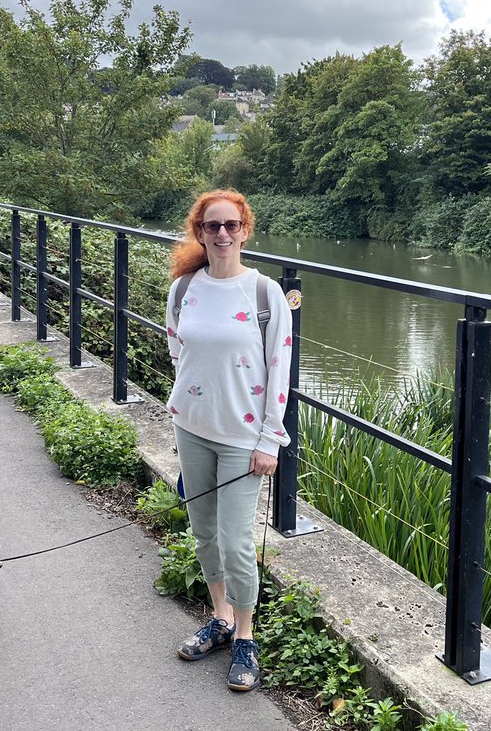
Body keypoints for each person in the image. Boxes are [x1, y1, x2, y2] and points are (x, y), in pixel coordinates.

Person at [165, 189, 293, 692]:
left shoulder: (264, 295)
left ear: (245, 230)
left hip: (244, 439)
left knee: (237, 541)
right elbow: (178, 350)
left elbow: (280, 371)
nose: (222, 234)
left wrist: (270, 440)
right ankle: (220, 619)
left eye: (231, 225)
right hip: (192, 427)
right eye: (212, 226)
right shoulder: (184, 289)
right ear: (199, 232)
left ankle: (245, 635)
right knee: (204, 531)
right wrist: (194, 402)